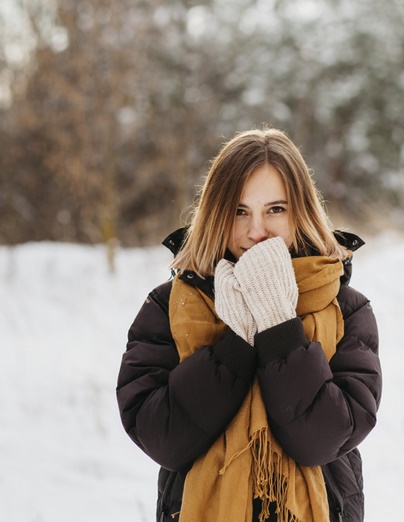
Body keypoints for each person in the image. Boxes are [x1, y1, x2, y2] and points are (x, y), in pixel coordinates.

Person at [116, 128, 382, 522]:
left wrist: (277, 324)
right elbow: (163, 439)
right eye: (240, 211)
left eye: (275, 209)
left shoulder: (345, 309)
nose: (256, 231)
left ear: (301, 211)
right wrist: (236, 345)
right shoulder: (170, 306)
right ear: (216, 213)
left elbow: (321, 439)